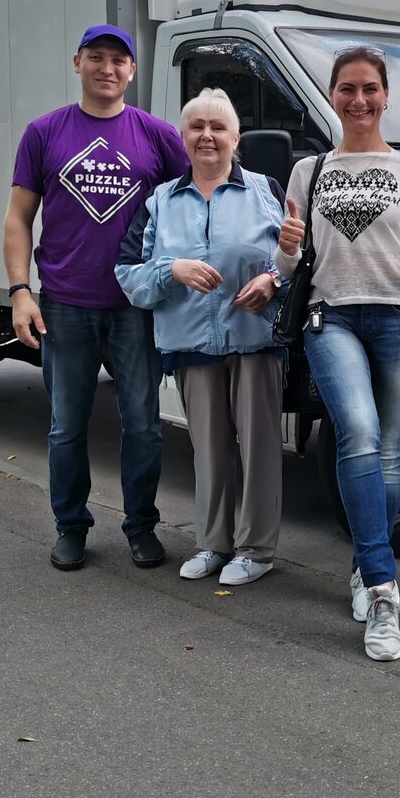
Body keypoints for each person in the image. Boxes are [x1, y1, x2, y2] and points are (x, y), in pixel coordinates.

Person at [275, 47, 400, 662]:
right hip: (331, 316)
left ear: (386, 95)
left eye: (370, 88)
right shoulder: (308, 171)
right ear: (334, 94)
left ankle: (363, 559)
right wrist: (287, 247)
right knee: (361, 435)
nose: (359, 100)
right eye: (347, 88)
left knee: (390, 453)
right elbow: (290, 266)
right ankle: (383, 590)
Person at [3, 24, 189, 571]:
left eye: (119, 60)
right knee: (66, 426)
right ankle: (71, 526)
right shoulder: (44, 133)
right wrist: (20, 292)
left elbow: (192, 200)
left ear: (132, 71)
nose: (108, 68)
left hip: (136, 307)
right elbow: (18, 218)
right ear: (77, 62)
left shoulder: (157, 136)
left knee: (144, 425)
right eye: (97, 58)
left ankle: (140, 526)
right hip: (64, 303)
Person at [115, 88, 286, 587]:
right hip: (191, 344)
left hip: (255, 339)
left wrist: (273, 279)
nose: (207, 135)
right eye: (197, 127)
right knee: (209, 450)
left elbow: (301, 257)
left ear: (236, 137)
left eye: (218, 127)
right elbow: (129, 277)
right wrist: (173, 270)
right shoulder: (160, 201)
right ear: (183, 138)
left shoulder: (265, 191)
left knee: (258, 447)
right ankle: (214, 544)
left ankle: (256, 549)